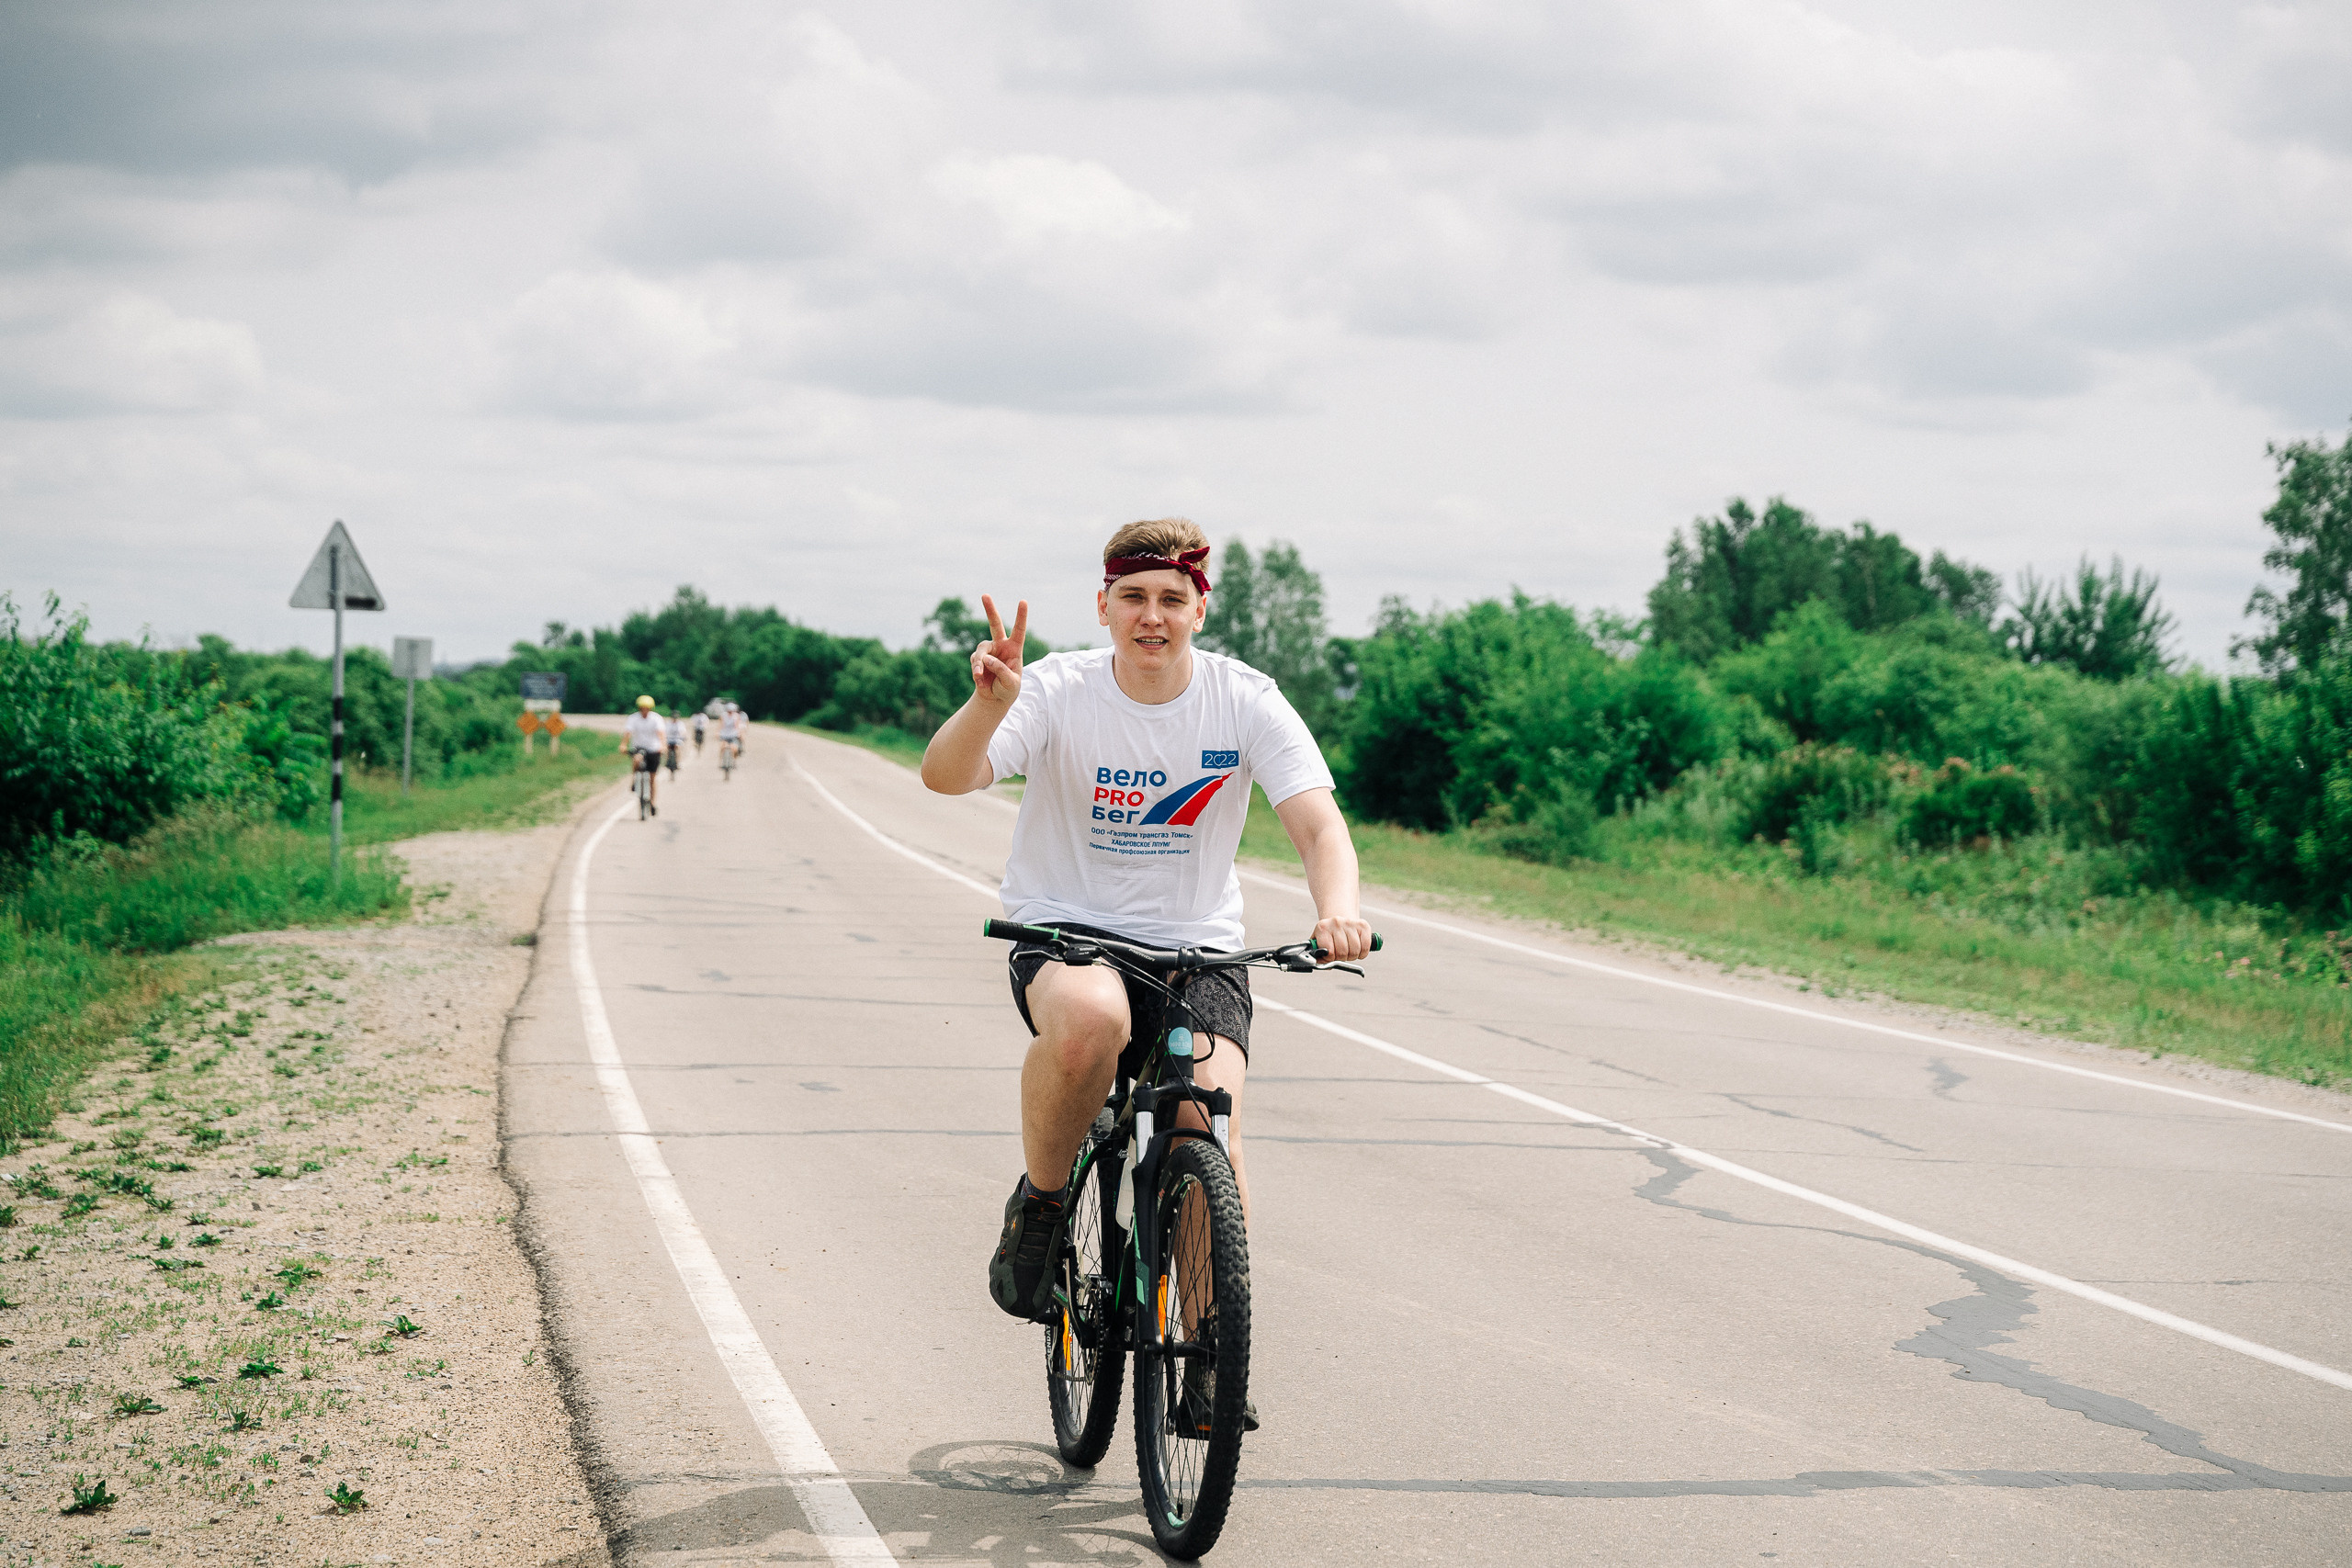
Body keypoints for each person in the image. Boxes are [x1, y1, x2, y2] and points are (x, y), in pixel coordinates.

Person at [921, 518, 1373, 1406]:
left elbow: (1320, 825)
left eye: (1172, 599)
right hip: (1066, 934)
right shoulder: (1053, 689)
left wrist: (1339, 911)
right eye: (1134, 597)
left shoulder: (1245, 701)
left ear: (1201, 609)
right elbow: (945, 777)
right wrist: (989, 702)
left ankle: (1207, 1345)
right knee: (1094, 1021)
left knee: (1209, 1120)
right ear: (1104, 605)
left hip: (1197, 949)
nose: (1152, 617)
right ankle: (1044, 1205)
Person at [619, 695, 668, 814]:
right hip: (639, 747)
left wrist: (663, 746)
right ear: (639, 708)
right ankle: (634, 780)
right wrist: (623, 744)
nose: (644, 710)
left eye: (647, 708)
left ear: (650, 708)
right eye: (642, 708)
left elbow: (661, 733)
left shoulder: (656, 719)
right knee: (636, 759)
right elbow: (628, 733)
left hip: (653, 748)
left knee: (652, 779)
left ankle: (652, 803)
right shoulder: (633, 718)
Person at [664, 711, 686, 776]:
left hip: (677, 739)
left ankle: (678, 762)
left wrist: (683, 737)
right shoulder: (668, 724)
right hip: (669, 739)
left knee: (678, 748)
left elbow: (683, 732)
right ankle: (667, 760)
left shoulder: (680, 724)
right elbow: (665, 731)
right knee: (667, 748)